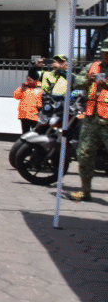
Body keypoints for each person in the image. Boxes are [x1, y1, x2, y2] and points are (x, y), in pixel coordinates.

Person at [68, 38, 108, 202]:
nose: (106, 56)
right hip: (91, 120)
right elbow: (77, 82)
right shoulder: (93, 67)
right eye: (105, 53)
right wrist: (89, 80)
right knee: (84, 155)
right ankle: (85, 191)